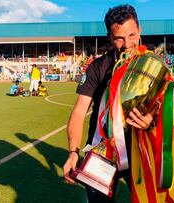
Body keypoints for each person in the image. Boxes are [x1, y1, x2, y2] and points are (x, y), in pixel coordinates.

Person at [63, 4, 156, 202]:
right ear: (109, 38)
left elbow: (165, 110)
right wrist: (73, 152)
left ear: (140, 31)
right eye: (119, 38)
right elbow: (79, 112)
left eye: (132, 35)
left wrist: (151, 119)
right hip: (101, 154)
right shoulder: (98, 67)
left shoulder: (152, 66)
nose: (127, 44)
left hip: (139, 154)